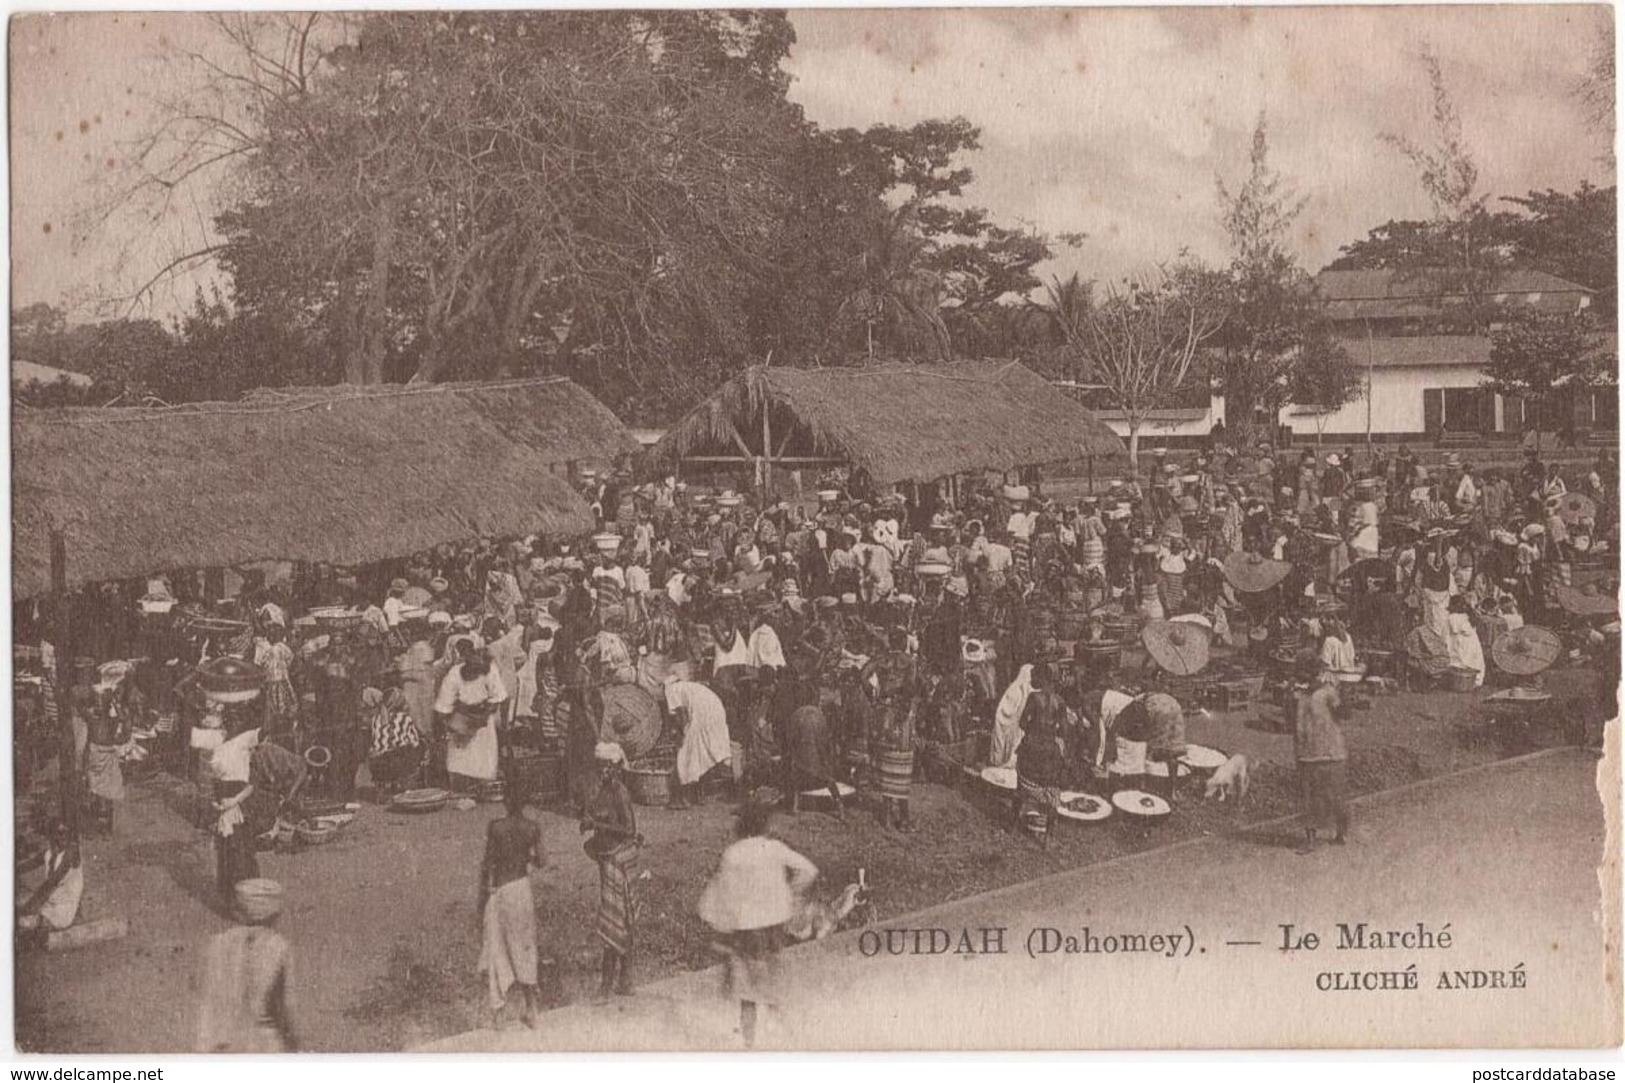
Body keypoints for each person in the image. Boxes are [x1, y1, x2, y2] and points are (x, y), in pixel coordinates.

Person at [697, 801, 819, 1049]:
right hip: (772, 928)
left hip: (745, 931)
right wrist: (789, 893)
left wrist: (719, 926)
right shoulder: (773, 848)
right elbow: (808, 870)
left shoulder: (732, 854)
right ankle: (789, 1038)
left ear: (740, 826)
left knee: (747, 993)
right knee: (772, 984)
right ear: (764, 825)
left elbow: (720, 892)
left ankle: (749, 1043)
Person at [196, 879, 300, 1052]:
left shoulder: (216, 943)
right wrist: (295, 1044)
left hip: (221, 1040)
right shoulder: (279, 946)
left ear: (239, 911)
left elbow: (204, 994)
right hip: (263, 1043)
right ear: (275, 914)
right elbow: (284, 1006)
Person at [477, 784, 544, 1027]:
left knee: (498, 950)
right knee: (524, 949)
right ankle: (532, 1009)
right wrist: (527, 858)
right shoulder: (532, 828)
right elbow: (542, 860)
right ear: (525, 803)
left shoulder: (495, 828)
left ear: (505, 802)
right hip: (521, 890)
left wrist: (485, 896)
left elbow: (489, 863)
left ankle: (499, 1014)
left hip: (501, 891)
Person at [582, 742, 641, 998]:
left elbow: (630, 830)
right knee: (615, 920)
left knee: (618, 920)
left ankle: (615, 982)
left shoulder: (620, 792)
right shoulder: (602, 790)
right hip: (607, 858)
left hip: (619, 858)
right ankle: (617, 982)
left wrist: (597, 825)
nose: (603, 771)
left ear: (616, 768)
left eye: (607, 766)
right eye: (600, 767)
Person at [861, 628, 920, 831]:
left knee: (886, 763)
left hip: (882, 714)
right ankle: (903, 819)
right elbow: (910, 688)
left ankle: (886, 816)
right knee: (902, 764)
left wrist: (873, 696)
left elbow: (863, 676)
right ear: (904, 642)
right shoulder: (909, 662)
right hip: (901, 717)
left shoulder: (881, 659)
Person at [435, 642, 506, 788]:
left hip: (484, 716)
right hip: (461, 715)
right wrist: (450, 723)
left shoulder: (490, 670)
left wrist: (482, 716)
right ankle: (461, 783)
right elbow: (444, 704)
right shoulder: (454, 673)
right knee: (459, 757)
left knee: (484, 757)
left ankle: (483, 784)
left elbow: (497, 697)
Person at [1295, 672, 1349, 854]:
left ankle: (1341, 832)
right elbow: (1292, 722)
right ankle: (1311, 839)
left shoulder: (1328, 692)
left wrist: (1343, 694)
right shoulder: (1299, 695)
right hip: (1308, 753)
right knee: (1309, 798)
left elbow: (1345, 713)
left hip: (1330, 752)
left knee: (1334, 796)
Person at [665, 676, 732, 809]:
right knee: (704, 754)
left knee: (686, 755)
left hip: (702, 716)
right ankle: (699, 795)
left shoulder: (671, 690)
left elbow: (682, 714)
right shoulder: (690, 687)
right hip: (716, 711)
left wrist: (680, 734)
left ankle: (684, 798)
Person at [16, 819, 83, 943]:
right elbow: (27, 866)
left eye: (65, 833)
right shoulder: (48, 854)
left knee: (29, 926)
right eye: (59, 833)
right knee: (21, 918)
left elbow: (52, 882)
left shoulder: (71, 854)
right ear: (51, 836)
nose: (64, 837)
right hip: (49, 903)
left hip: (64, 907)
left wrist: (27, 909)